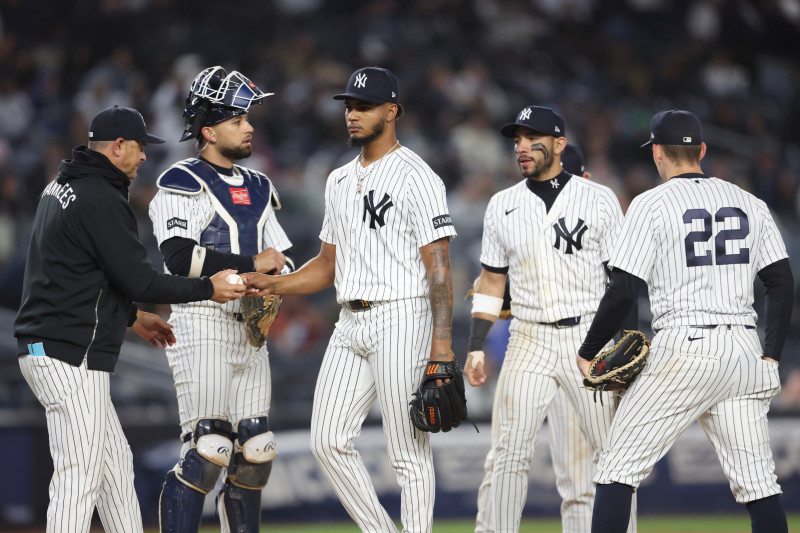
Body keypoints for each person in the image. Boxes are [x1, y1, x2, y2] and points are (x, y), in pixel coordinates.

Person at [242, 66, 458, 533]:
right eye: (349, 106)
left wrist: (442, 348)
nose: (352, 114)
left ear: (391, 111)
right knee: (326, 441)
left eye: (364, 106)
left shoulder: (417, 176)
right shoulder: (338, 179)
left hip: (403, 314)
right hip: (350, 321)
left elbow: (440, 271)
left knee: (407, 452)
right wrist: (272, 285)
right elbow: (326, 266)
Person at [13, 105, 245, 533]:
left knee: (115, 468)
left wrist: (131, 316)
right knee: (79, 474)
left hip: (54, 345)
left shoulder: (62, 184)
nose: (143, 156)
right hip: (68, 354)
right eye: (139, 147)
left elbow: (74, 275)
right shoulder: (99, 195)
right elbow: (141, 280)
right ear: (118, 146)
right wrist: (207, 288)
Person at [577, 109, 793, 533]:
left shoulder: (650, 204)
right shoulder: (751, 202)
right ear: (703, 151)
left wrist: (588, 350)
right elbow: (781, 282)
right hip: (745, 352)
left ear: (657, 152)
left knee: (617, 469)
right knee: (759, 486)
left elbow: (624, 290)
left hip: (685, 347)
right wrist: (771, 354)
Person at [464, 106, 636, 532]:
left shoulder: (598, 198)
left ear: (560, 144)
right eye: (517, 139)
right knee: (508, 453)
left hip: (589, 336)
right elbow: (490, 282)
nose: (522, 147)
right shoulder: (501, 204)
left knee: (611, 456)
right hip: (528, 337)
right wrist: (476, 345)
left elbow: (622, 281)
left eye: (533, 138)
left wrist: (624, 342)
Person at [148, 66, 295, 532]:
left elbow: (281, 260)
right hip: (201, 321)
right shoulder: (181, 179)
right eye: (237, 120)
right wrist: (254, 263)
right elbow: (179, 258)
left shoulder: (260, 186)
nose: (249, 127)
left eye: (247, 118)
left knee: (256, 449)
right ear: (208, 131)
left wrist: (275, 275)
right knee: (207, 447)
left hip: (250, 329)